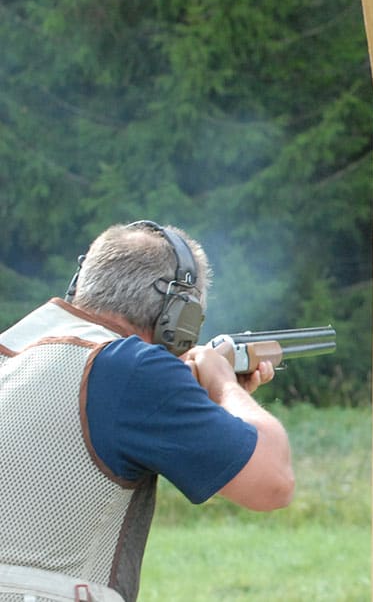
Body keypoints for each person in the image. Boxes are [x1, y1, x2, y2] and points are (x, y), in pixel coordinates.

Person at [0, 221, 294, 602]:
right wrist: (221, 384)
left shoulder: (13, 353)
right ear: (180, 315)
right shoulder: (131, 368)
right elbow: (273, 482)